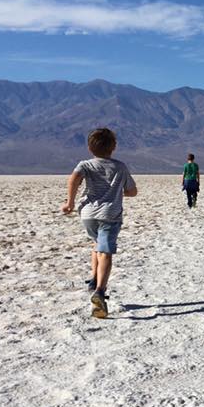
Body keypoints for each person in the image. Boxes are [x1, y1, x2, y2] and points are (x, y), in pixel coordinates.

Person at [61, 127, 138, 318]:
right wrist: (118, 192)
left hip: (87, 214)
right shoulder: (120, 167)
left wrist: (70, 202)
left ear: (89, 147)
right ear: (113, 147)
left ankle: (94, 280)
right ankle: (100, 291)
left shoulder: (85, 164)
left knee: (96, 243)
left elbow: (74, 179)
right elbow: (133, 191)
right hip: (109, 215)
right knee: (105, 252)